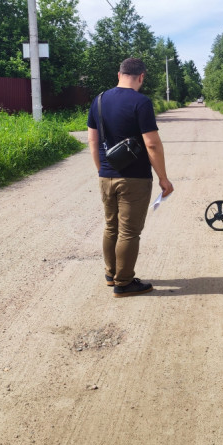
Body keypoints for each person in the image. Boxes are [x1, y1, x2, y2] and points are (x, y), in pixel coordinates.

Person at [87, 58, 174, 297]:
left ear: (119, 74)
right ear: (141, 77)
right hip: (134, 178)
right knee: (129, 231)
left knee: (111, 226)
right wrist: (163, 179)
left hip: (106, 176)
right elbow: (152, 144)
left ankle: (111, 273)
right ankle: (124, 283)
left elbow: (93, 141)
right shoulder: (141, 102)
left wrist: (102, 169)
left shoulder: (99, 100)